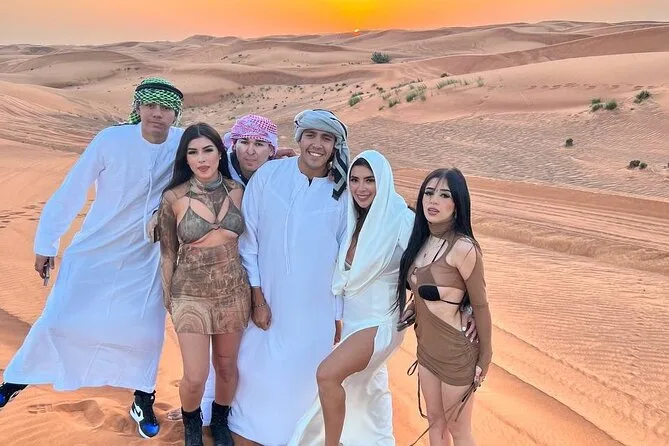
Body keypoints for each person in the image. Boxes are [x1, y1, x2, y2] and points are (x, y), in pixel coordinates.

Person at [0, 78, 185, 439]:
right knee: (60, 317)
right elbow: (72, 189)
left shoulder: (182, 143)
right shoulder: (111, 140)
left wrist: (274, 155)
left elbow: (222, 155)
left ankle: (143, 397)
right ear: (138, 108)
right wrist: (46, 243)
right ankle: (16, 380)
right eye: (150, 106)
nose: (157, 114)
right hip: (96, 247)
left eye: (166, 108)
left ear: (176, 114)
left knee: (145, 331)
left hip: (148, 254)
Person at [229, 109, 349, 446]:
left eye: (326, 138)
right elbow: (249, 240)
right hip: (269, 299)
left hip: (316, 308)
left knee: (305, 379)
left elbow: (342, 257)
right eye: (310, 135)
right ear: (299, 139)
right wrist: (257, 296)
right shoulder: (269, 175)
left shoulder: (342, 193)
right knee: (256, 371)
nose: (317, 144)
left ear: (335, 146)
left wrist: (337, 314)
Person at [289, 150, 414, 445]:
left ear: (383, 181)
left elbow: (430, 263)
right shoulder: (354, 219)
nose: (361, 188)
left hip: (381, 322)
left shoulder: (401, 219)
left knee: (327, 375)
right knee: (366, 389)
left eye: (370, 180)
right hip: (354, 323)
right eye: (355, 180)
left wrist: (419, 303)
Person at [164, 114, 282, 427]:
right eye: (244, 142)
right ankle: (198, 416)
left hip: (252, 283)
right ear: (232, 146)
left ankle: (235, 418)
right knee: (199, 368)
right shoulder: (217, 175)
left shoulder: (273, 179)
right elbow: (170, 242)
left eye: (260, 144)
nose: (250, 150)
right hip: (199, 288)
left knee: (237, 360)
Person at [157, 123, 249, 446]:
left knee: (226, 367)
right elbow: (167, 253)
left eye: (208, 150)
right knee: (195, 375)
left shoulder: (239, 191)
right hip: (190, 294)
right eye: (193, 152)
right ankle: (192, 424)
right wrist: (169, 298)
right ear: (185, 158)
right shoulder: (173, 198)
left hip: (233, 292)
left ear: (220, 153)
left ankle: (221, 420)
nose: (201, 158)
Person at [398, 168, 492, 446]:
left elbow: (481, 305)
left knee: (458, 428)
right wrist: (415, 305)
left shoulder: (464, 248)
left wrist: (485, 359)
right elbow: (422, 284)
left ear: (458, 203)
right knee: (435, 423)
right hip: (427, 348)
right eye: (429, 193)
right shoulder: (420, 238)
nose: (433, 201)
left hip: (456, 354)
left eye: (444, 195)